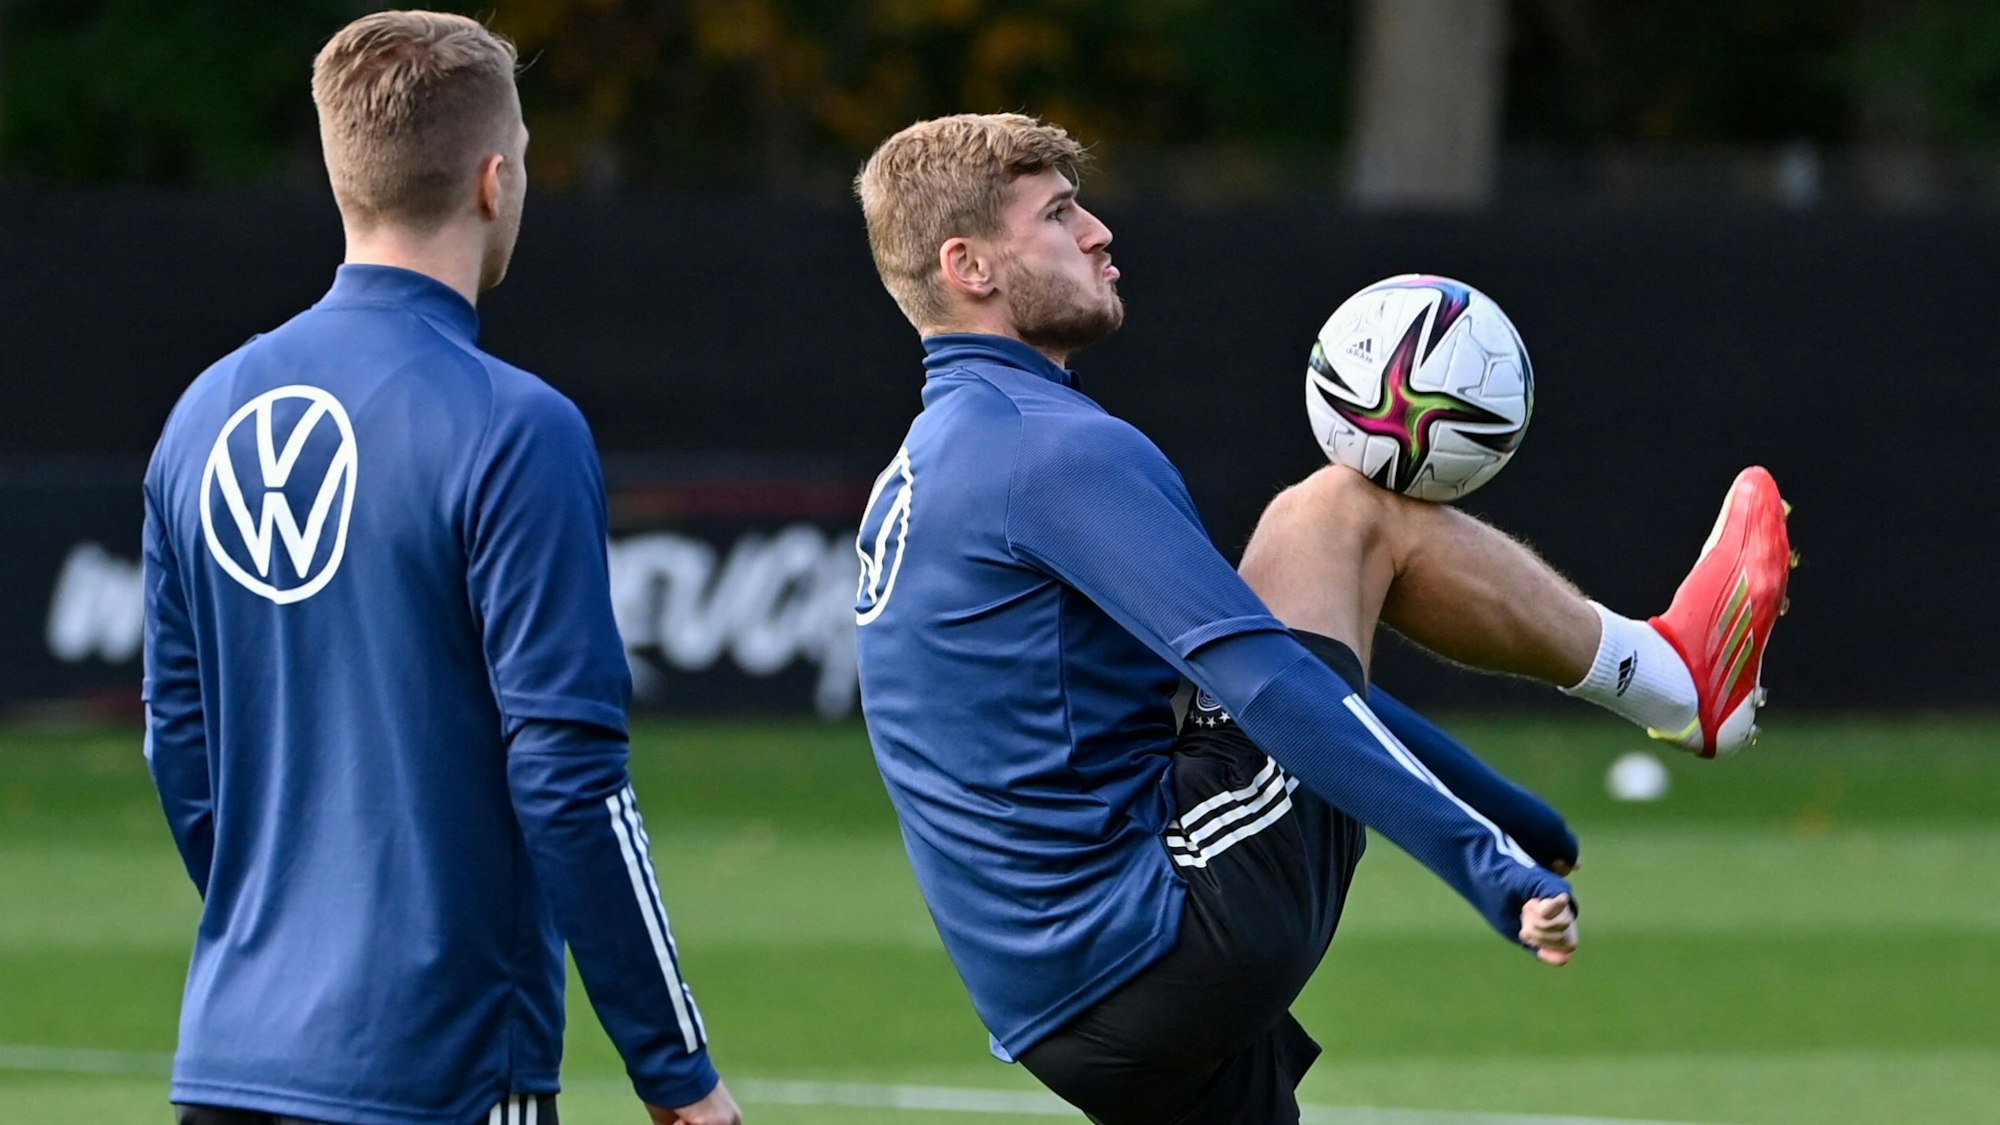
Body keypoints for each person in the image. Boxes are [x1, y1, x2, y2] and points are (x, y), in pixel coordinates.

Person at [850, 113, 1792, 1125]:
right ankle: (1670, 678)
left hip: (1058, 1012)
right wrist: (1484, 863)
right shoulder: (1049, 449)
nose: (1098, 232)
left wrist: (1504, 807)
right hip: (1164, 934)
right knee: (1334, 512)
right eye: (1058, 213)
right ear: (969, 266)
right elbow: (1267, 687)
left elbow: (1245, 684)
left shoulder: (925, 468)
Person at [142, 13, 740, 1125]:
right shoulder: (517, 427)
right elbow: (570, 779)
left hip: (232, 1059)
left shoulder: (202, 417)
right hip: (445, 1069)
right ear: (494, 178)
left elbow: (180, 748)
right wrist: (676, 1071)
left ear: (341, 178)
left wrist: (291, 938)